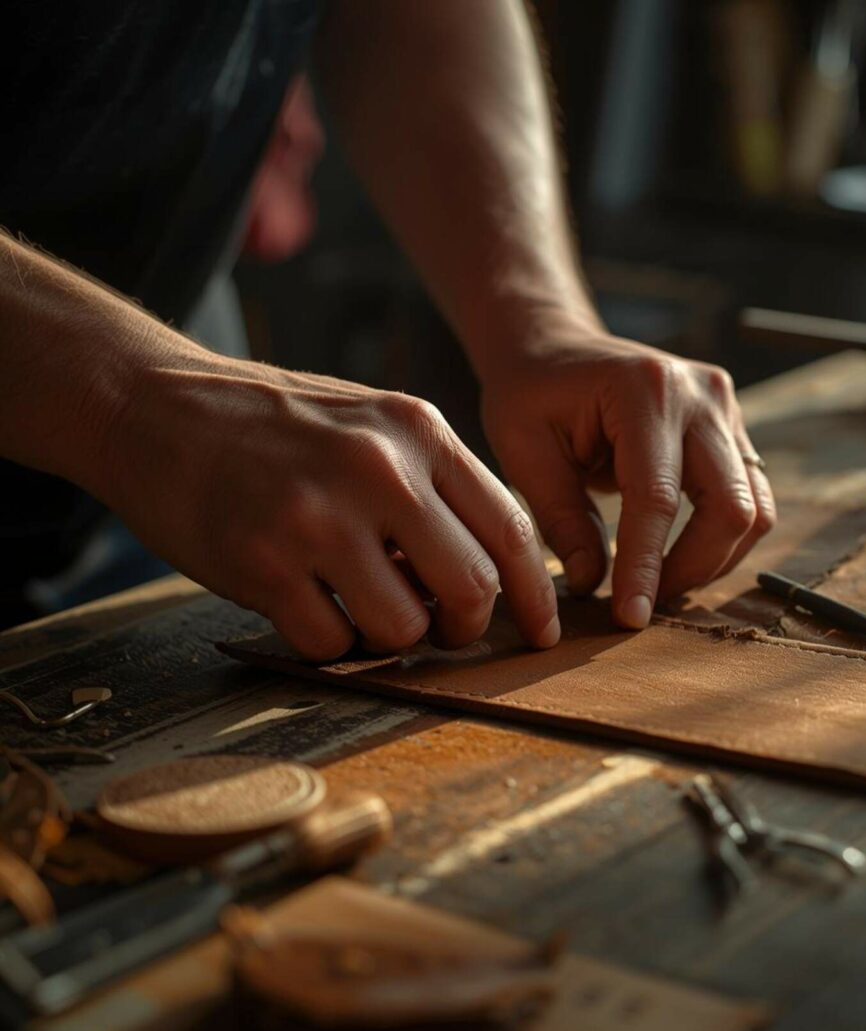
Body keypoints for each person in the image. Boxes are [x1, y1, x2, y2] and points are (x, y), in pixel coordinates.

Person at [0, 1, 774, 659]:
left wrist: (539, 321)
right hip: (146, 415)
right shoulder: (150, 414)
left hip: (172, 453)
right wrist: (127, 402)